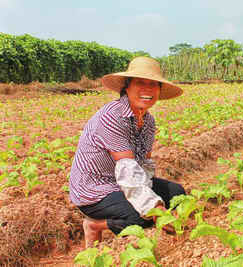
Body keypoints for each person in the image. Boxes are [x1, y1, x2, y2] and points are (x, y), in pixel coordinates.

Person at [69, 57, 186, 248]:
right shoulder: (112, 116)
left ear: (159, 90)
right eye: (140, 82)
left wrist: (149, 194)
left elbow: (144, 165)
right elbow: (128, 169)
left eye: (153, 84)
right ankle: (94, 225)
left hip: (120, 182)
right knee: (141, 217)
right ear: (127, 86)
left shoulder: (148, 121)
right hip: (94, 189)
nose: (147, 89)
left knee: (176, 194)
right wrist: (155, 209)